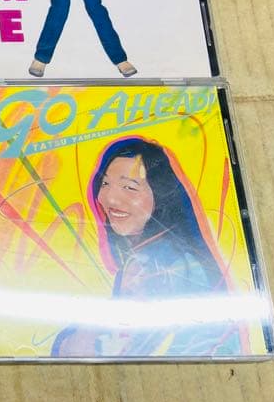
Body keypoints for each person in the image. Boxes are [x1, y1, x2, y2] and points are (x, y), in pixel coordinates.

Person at [51, 137, 245, 357]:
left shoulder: (163, 264)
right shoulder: (146, 257)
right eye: (105, 184)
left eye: (129, 187)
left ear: (161, 195)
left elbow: (151, 348)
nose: (111, 198)